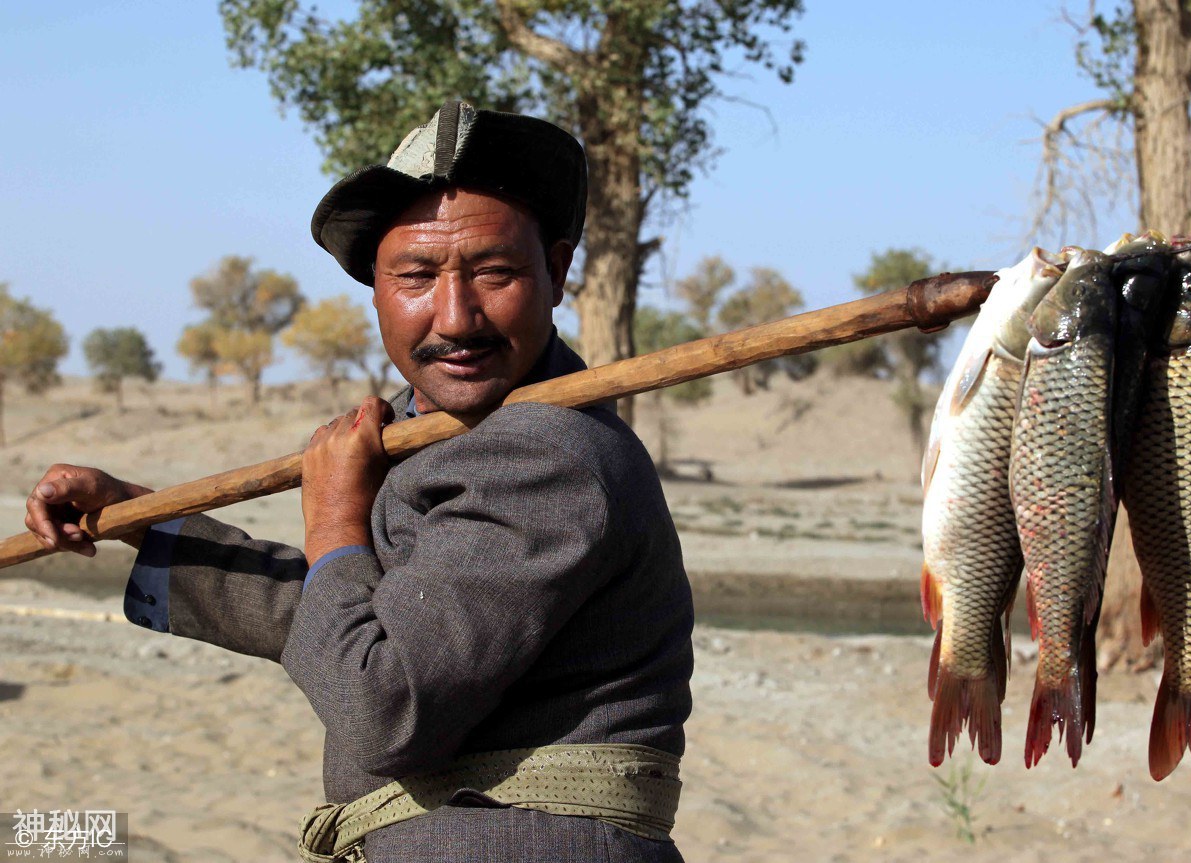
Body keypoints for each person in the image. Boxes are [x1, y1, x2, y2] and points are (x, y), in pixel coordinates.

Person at [24, 101, 694, 863]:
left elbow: (380, 706)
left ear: (559, 270)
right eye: (415, 276)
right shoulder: (468, 438)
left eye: (495, 272)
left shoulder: (546, 453)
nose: (455, 316)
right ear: (374, 288)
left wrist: (334, 520)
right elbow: (356, 614)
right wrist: (137, 515)